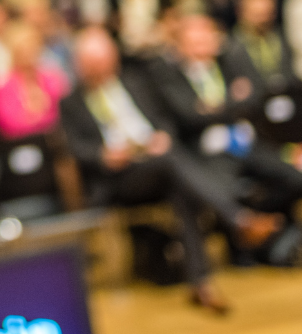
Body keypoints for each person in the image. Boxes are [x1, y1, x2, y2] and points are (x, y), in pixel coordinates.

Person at [61, 28, 283, 313]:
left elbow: (162, 120)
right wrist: (103, 155)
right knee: (171, 162)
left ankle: (200, 284)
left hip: (156, 163)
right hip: (119, 178)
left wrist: (161, 136)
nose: (101, 69)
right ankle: (238, 219)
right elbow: (75, 148)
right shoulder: (71, 102)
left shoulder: (133, 82)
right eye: (94, 64)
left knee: (179, 187)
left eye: (105, 61)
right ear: (81, 65)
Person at [148, 15, 302, 222]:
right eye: (194, 43)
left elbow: (254, 99)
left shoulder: (230, 63)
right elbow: (189, 116)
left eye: (205, 40)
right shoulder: (169, 76)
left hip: (250, 144)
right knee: (223, 196)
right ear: (180, 47)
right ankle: (248, 234)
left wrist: (212, 109)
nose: (201, 49)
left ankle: (267, 220)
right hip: (210, 154)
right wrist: (232, 102)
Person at [0, 24, 70, 139]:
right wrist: (45, 119)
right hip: (20, 145)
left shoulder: (53, 78)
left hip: (56, 141)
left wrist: (32, 119)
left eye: (33, 46)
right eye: (23, 48)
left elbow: (67, 113)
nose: (29, 52)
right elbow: (9, 125)